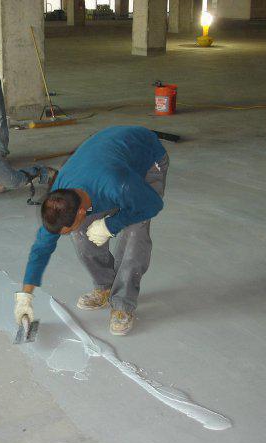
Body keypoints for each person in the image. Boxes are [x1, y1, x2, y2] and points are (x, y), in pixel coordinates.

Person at [13, 126, 169, 336]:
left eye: (67, 228)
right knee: (80, 234)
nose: (63, 234)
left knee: (135, 232)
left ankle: (123, 304)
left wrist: (110, 225)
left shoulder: (116, 185)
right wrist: (26, 296)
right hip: (107, 156)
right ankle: (105, 285)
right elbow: (41, 248)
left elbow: (152, 205)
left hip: (147, 158)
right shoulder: (60, 196)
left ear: (80, 212)